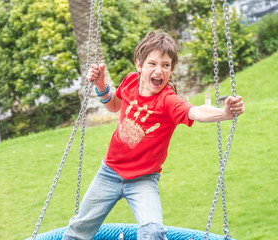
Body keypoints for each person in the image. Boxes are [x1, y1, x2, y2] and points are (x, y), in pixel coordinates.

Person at [62, 31, 245, 240]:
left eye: (165, 65)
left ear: (171, 69)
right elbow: (114, 105)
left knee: (153, 232)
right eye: (153, 64)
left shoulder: (168, 100)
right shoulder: (130, 81)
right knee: (78, 230)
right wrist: (102, 85)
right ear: (139, 65)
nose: (159, 70)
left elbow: (196, 111)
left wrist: (224, 113)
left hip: (143, 179)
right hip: (109, 172)